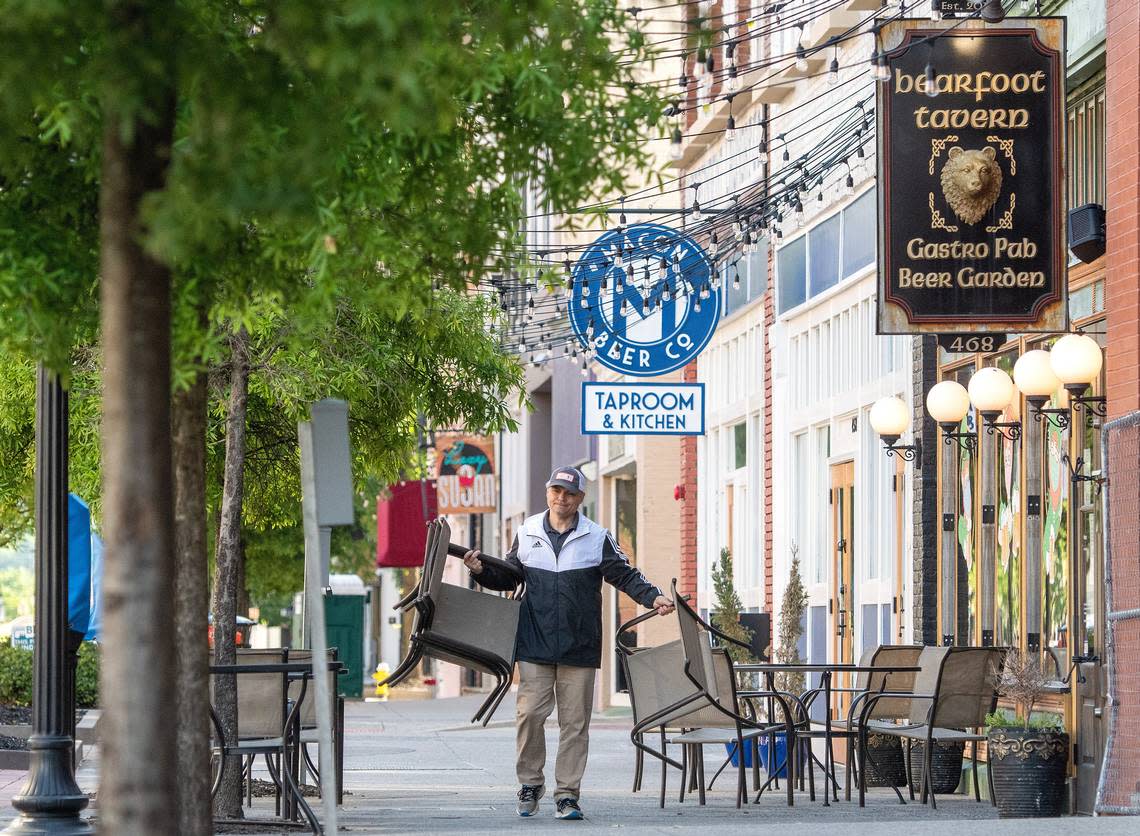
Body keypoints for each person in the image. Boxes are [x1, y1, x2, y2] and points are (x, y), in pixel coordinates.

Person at [464, 465, 673, 821]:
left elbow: (625, 574)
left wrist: (652, 597)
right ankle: (530, 783)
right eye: (556, 491)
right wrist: (480, 570)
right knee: (529, 714)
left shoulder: (597, 536)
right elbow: (510, 577)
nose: (562, 498)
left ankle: (567, 794)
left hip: (579, 645)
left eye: (570, 493)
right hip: (534, 642)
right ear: (548, 492)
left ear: (580, 499)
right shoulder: (528, 531)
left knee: (574, 723)